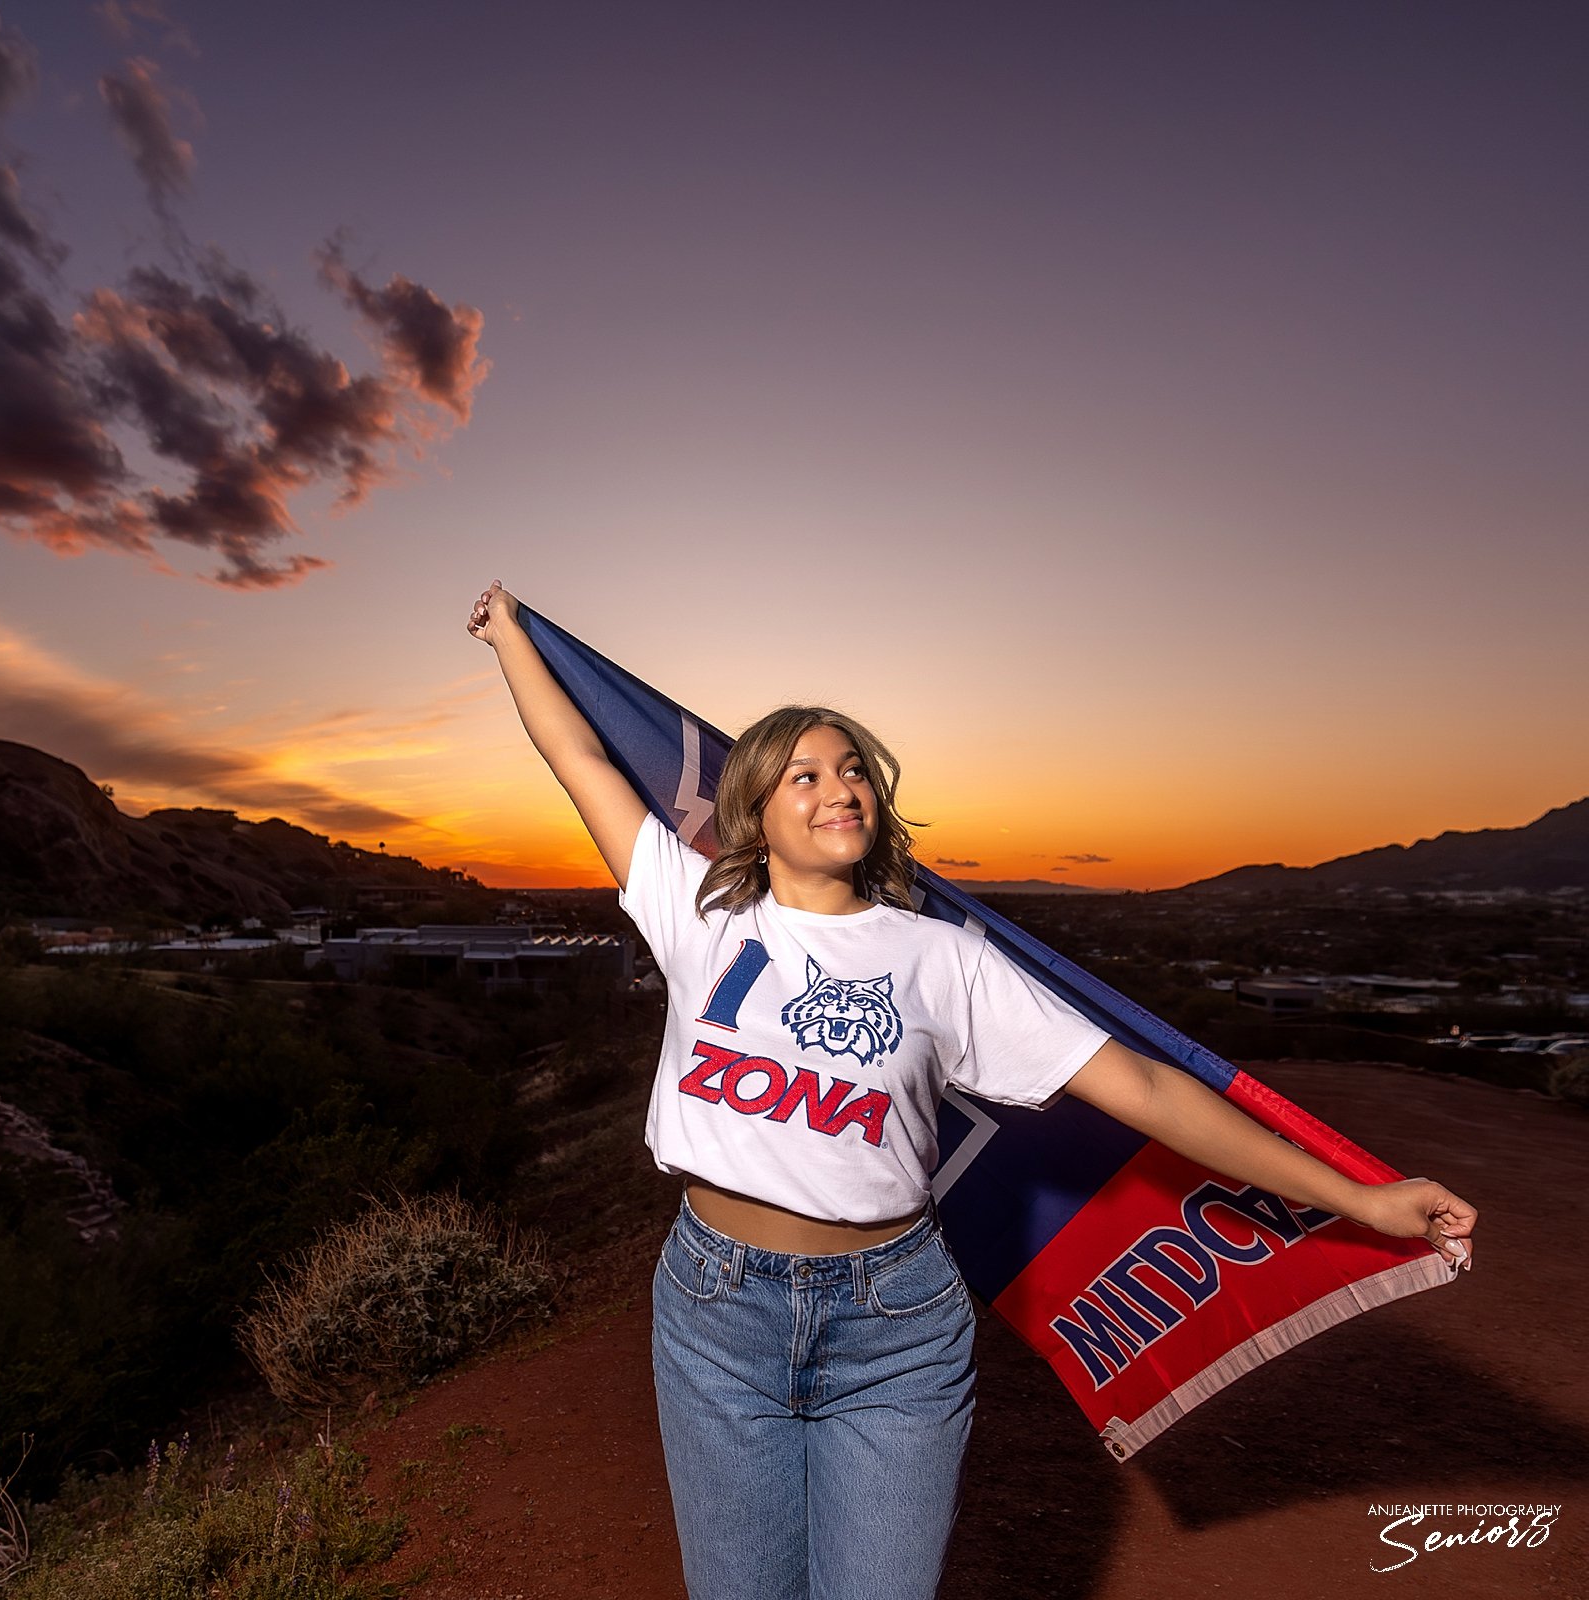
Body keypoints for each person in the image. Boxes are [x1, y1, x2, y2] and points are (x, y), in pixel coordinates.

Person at [466, 580, 1477, 1600]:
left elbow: (1142, 1087)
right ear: (753, 810)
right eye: (804, 773)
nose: (840, 787)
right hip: (716, 1310)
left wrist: (1357, 1196)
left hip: (893, 1325)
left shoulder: (944, 959)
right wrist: (511, 637)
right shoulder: (701, 915)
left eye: (853, 768)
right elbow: (580, 759)